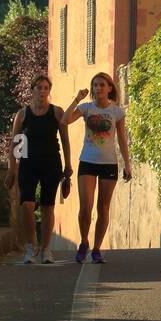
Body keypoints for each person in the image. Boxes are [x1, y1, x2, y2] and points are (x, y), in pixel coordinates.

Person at [61, 71, 131, 263]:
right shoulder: (86, 108)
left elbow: (123, 140)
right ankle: (84, 242)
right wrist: (77, 99)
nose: (98, 88)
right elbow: (65, 120)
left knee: (103, 207)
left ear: (109, 88)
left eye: (102, 85)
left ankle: (97, 248)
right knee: (86, 207)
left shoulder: (117, 111)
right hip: (88, 163)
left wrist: (127, 164)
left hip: (109, 163)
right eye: (95, 85)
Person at [4, 75, 71, 264]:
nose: (42, 91)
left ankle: (46, 249)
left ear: (49, 91)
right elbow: (16, 143)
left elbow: (65, 141)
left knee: (48, 206)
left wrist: (68, 166)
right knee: (27, 204)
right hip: (28, 163)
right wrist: (12, 169)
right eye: (39, 88)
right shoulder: (23, 114)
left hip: (51, 163)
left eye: (46, 88)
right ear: (32, 90)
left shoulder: (57, 112)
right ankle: (31, 247)